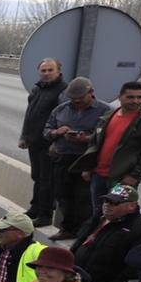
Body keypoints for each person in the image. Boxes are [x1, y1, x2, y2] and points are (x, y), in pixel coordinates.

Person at [77, 80, 141, 214]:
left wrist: (134, 175)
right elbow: (95, 143)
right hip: (98, 175)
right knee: (98, 212)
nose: (136, 101)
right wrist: (87, 167)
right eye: (130, 97)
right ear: (120, 97)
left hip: (122, 179)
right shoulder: (108, 116)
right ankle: (98, 235)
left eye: (140, 97)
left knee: (118, 213)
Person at [43, 77, 104, 238]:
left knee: (83, 198)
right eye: (73, 99)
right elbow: (47, 129)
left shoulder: (104, 111)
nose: (76, 102)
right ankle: (67, 228)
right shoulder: (61, 109)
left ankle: (84, 232)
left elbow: (109, 138)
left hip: (86, 160)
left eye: (80, 99)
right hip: (62, 158)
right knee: (62, 195)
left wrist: (87, 139)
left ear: (91, 93)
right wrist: (56, 133)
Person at [20, 58, 66, 225]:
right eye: (43, 70)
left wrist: (56, 142)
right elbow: (30, 114)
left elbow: (63, 119)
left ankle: (45, 214)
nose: (46, 73)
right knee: (37, 176)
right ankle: (35, 207)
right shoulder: (37, 89)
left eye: (50, 70)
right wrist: (24, 136)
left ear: (58, 72)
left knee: (47, 180)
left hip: (49, 143)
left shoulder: (63, 91)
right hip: (35, 141)